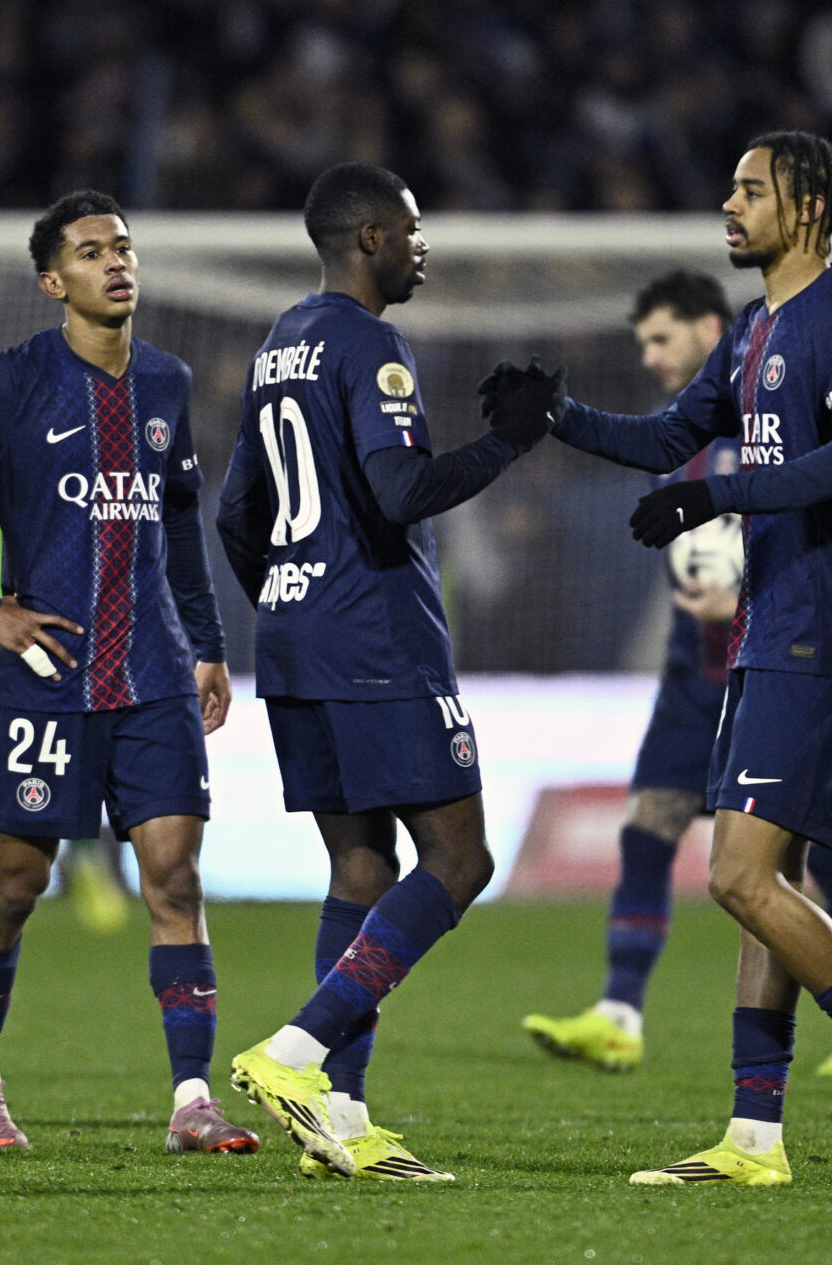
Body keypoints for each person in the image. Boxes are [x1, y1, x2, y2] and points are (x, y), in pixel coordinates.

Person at [485, 131, 832, 1189]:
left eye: (751, 190)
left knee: (738, 876)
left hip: (825, 618)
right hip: (770, 620)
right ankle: (754, 1138)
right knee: (768, 881)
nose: (729, 203)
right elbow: (670, 438)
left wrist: (720, 492)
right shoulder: (754, 327)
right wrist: (556, 418)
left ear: (809, 207)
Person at [0, 190, 256, 1156]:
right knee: (15, 883)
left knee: (175, 880)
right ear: (53, 283)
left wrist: (208, 644)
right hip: (49, 677)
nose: (115, 262)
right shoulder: (14, 381)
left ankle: (193, 1101)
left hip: (155, 675)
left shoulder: (165, 381)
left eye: (123, 247)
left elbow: (177, 522)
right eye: (90, 252)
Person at [215, 162, 555, 1182]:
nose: (422, 245)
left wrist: (289, 594)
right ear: (369, 238)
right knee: (460, 859)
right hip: (376, 640)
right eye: (410, 229)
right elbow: (401, 489)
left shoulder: (278, 343)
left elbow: (236, 513)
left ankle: (342, 1119)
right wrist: (508, 442)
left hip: (295, 640)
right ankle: (296, 1051)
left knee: (361, 868)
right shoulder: (371, 344)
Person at [522, 269, 832, 1081]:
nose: (651, 356)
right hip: (695, 669)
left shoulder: (769, 422)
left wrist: (745, 594)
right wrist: (559, 415)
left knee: (805, 855)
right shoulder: (683, 437)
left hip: (778, 656)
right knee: (648, 826)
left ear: (709, 329)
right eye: (643, 343)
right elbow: (666, 467)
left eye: (662, 338)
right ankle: (619, 1014)